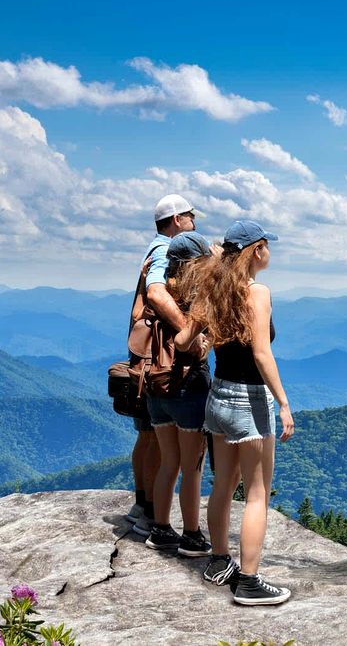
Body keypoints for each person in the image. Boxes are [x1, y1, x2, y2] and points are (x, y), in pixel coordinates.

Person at [179, 219, 295, 606]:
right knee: (257, 493)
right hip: (251, 401)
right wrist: (283, 402)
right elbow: (261, 352)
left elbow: (182, 340)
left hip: (219, 396)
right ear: (256, 250)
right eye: (267, 246)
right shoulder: (257, 292)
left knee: (223, 485)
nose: (270, 253)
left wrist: (207, 338)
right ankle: (248, 582)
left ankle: (218, 561)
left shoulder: (211, 289)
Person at [125, 193, 199, 536]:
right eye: (189, 216)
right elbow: (156, 293)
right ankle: (153, 514)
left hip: (145, 357)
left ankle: (143, 505)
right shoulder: (165, 251)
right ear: (175, 220)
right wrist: (188, 330)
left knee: (148, 433)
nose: (194, 222)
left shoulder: (152, 248)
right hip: (164, 361)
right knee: (159, 439)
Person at [143, 230, 214, 557]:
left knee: (168, 462)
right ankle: (191, 535)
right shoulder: (194, 296)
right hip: (189, 387)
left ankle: (159, 529)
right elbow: (199, 346)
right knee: (192, 467)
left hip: (157, 385)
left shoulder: (159, 295)